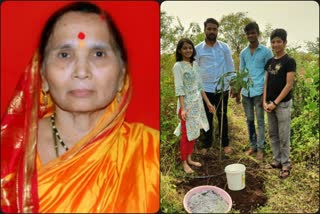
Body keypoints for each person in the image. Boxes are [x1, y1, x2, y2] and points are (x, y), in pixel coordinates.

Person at [1, 2, 159, 213]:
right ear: (43, 76)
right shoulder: (11, 154)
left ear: (122, 76)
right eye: (64, 54)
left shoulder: (150, 153)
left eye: (99, 54)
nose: (82, 71)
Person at [173, 38, 215, 174]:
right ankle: (184, 162)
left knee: (194, 132)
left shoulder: (195, 65)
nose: (188, 50)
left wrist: (208, 103)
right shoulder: (178, 66)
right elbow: (179, 88)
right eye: (184, 48)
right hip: (186, 105)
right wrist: (183, 109)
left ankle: (190, 158)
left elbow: (200, 86)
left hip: (197, 104)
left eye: (190, 48)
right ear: (180, 50)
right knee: (186, 135)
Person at [195, 18, 235, 155]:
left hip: (222, 89)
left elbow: (230, 66)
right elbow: (195, 70)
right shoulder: (198, 49)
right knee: (207, 118)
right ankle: (206, 144)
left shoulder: (224, 47)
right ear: (205, 30)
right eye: (209, 29)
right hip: (205, 90)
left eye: (214, 29)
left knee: (222, 116)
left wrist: (233, 84)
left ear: (218, 31)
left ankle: (225, 144)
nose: (212, 31)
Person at [263, 28, 296, 179]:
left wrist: (275, 103)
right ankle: (277, 161)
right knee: (273, 134)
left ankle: (286, 164)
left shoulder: (289, 61)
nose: (275, 44)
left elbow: (289, 85)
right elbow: (266, 82)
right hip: (269, 104)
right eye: (273, 42)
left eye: (279, 41)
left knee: (284, 135)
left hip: (282, 105)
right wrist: (264, 101)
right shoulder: (270, 62)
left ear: (285, 42)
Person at [239, 22, 273, 160]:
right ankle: (252, 146)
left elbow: (269, 73)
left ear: (258, 33)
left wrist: (267, 94)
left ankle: (261, 148)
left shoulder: (266, 51)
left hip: (259, 91)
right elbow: (241, 72)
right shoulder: (243, 52)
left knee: (260, 120)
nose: (250, 35)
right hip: (246, 92)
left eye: (253, 32)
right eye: (248, 33)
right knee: (249, 120)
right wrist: (237, 89)